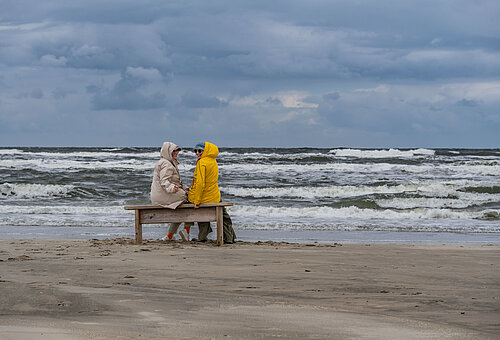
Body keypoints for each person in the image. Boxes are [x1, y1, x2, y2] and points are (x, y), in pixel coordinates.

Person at [188, 141, 236, 243]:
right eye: (195, 151)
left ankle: (202, 237)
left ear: (205, 151)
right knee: (224, 216)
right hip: (215, 195)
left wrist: (197, 201)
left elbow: (200, 183)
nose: (197, 153)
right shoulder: (213, 161)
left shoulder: (202, 163)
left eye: (200, 151)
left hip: (205, 196)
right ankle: (229, 237)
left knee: (201, 214)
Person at [150, 142, 191, 241]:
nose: (176, 153)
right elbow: (164, 181)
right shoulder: (166, 164)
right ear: (167, 152)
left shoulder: (167, 162)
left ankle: (169, 236)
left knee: (182, 207)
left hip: (159, 194)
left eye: (177, 151)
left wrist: (185, 188)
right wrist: (172, 188)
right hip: (163, 195)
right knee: (191, 200)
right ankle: (186, 232)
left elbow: (175, 181)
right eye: (174, 151)